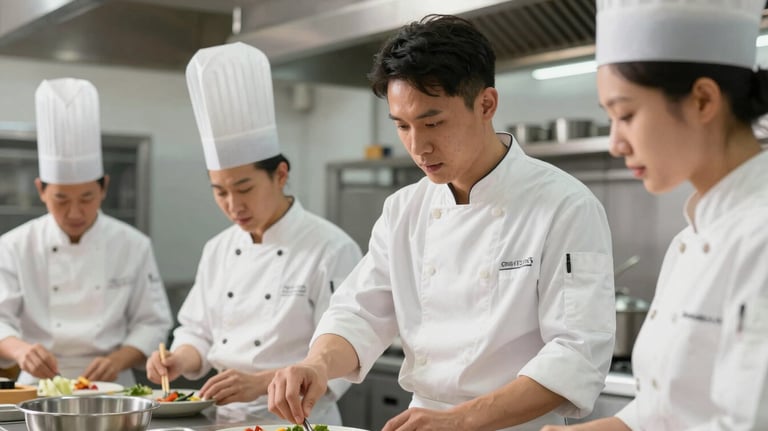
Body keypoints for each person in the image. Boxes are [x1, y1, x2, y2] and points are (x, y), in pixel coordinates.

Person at [268, 14, 616, 431]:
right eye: (402, 126)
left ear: (486, 104)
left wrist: (460, 420)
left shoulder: (565, 205)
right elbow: (359, 313)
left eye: (433, 123)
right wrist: (318, 364)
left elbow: (577, 354)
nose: (418, 146)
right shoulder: (404, 209)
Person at [541, 1, 768, 430]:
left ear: (703, 100)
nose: (615, 143)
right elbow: (661, 412)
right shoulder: (689, 241)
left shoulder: (760, 235)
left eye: (626, 115)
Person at [144, 42, 362, 424]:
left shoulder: (331, 248)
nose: (233, 205)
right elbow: (197, 331)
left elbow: (343, 353)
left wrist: (261, 383)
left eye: (244, 188)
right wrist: (179, 358)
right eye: (220, 192)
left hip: (299, 421)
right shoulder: (218, 248)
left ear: (280, 175)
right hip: (221, 417)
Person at [0, 78, 173, 386]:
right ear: (41, 190)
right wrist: (22, 351)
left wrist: (118, 360)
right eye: (61, 199)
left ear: (104, 188)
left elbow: (153, 321)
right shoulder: (14, 246)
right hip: (36, 387)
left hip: (113, 387)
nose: (75, 212)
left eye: (86, 198)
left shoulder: (133, 245)